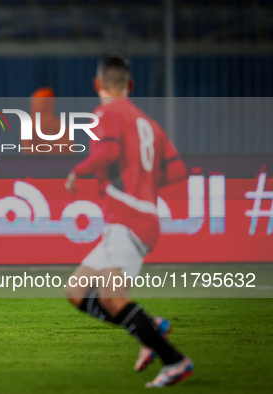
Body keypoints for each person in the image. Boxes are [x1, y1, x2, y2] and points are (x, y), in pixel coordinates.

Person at [64, 54, 194, 388]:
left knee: (111, 298)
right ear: (130, 85)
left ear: (97, 84)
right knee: (76, 291)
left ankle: (174, 360)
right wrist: (143, 183)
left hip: (128, 221)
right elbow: (178, 172)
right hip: (137, 220)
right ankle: (151, 326)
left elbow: (106, 153)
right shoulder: (148, 123)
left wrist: (78, 172)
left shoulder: (105, 114)